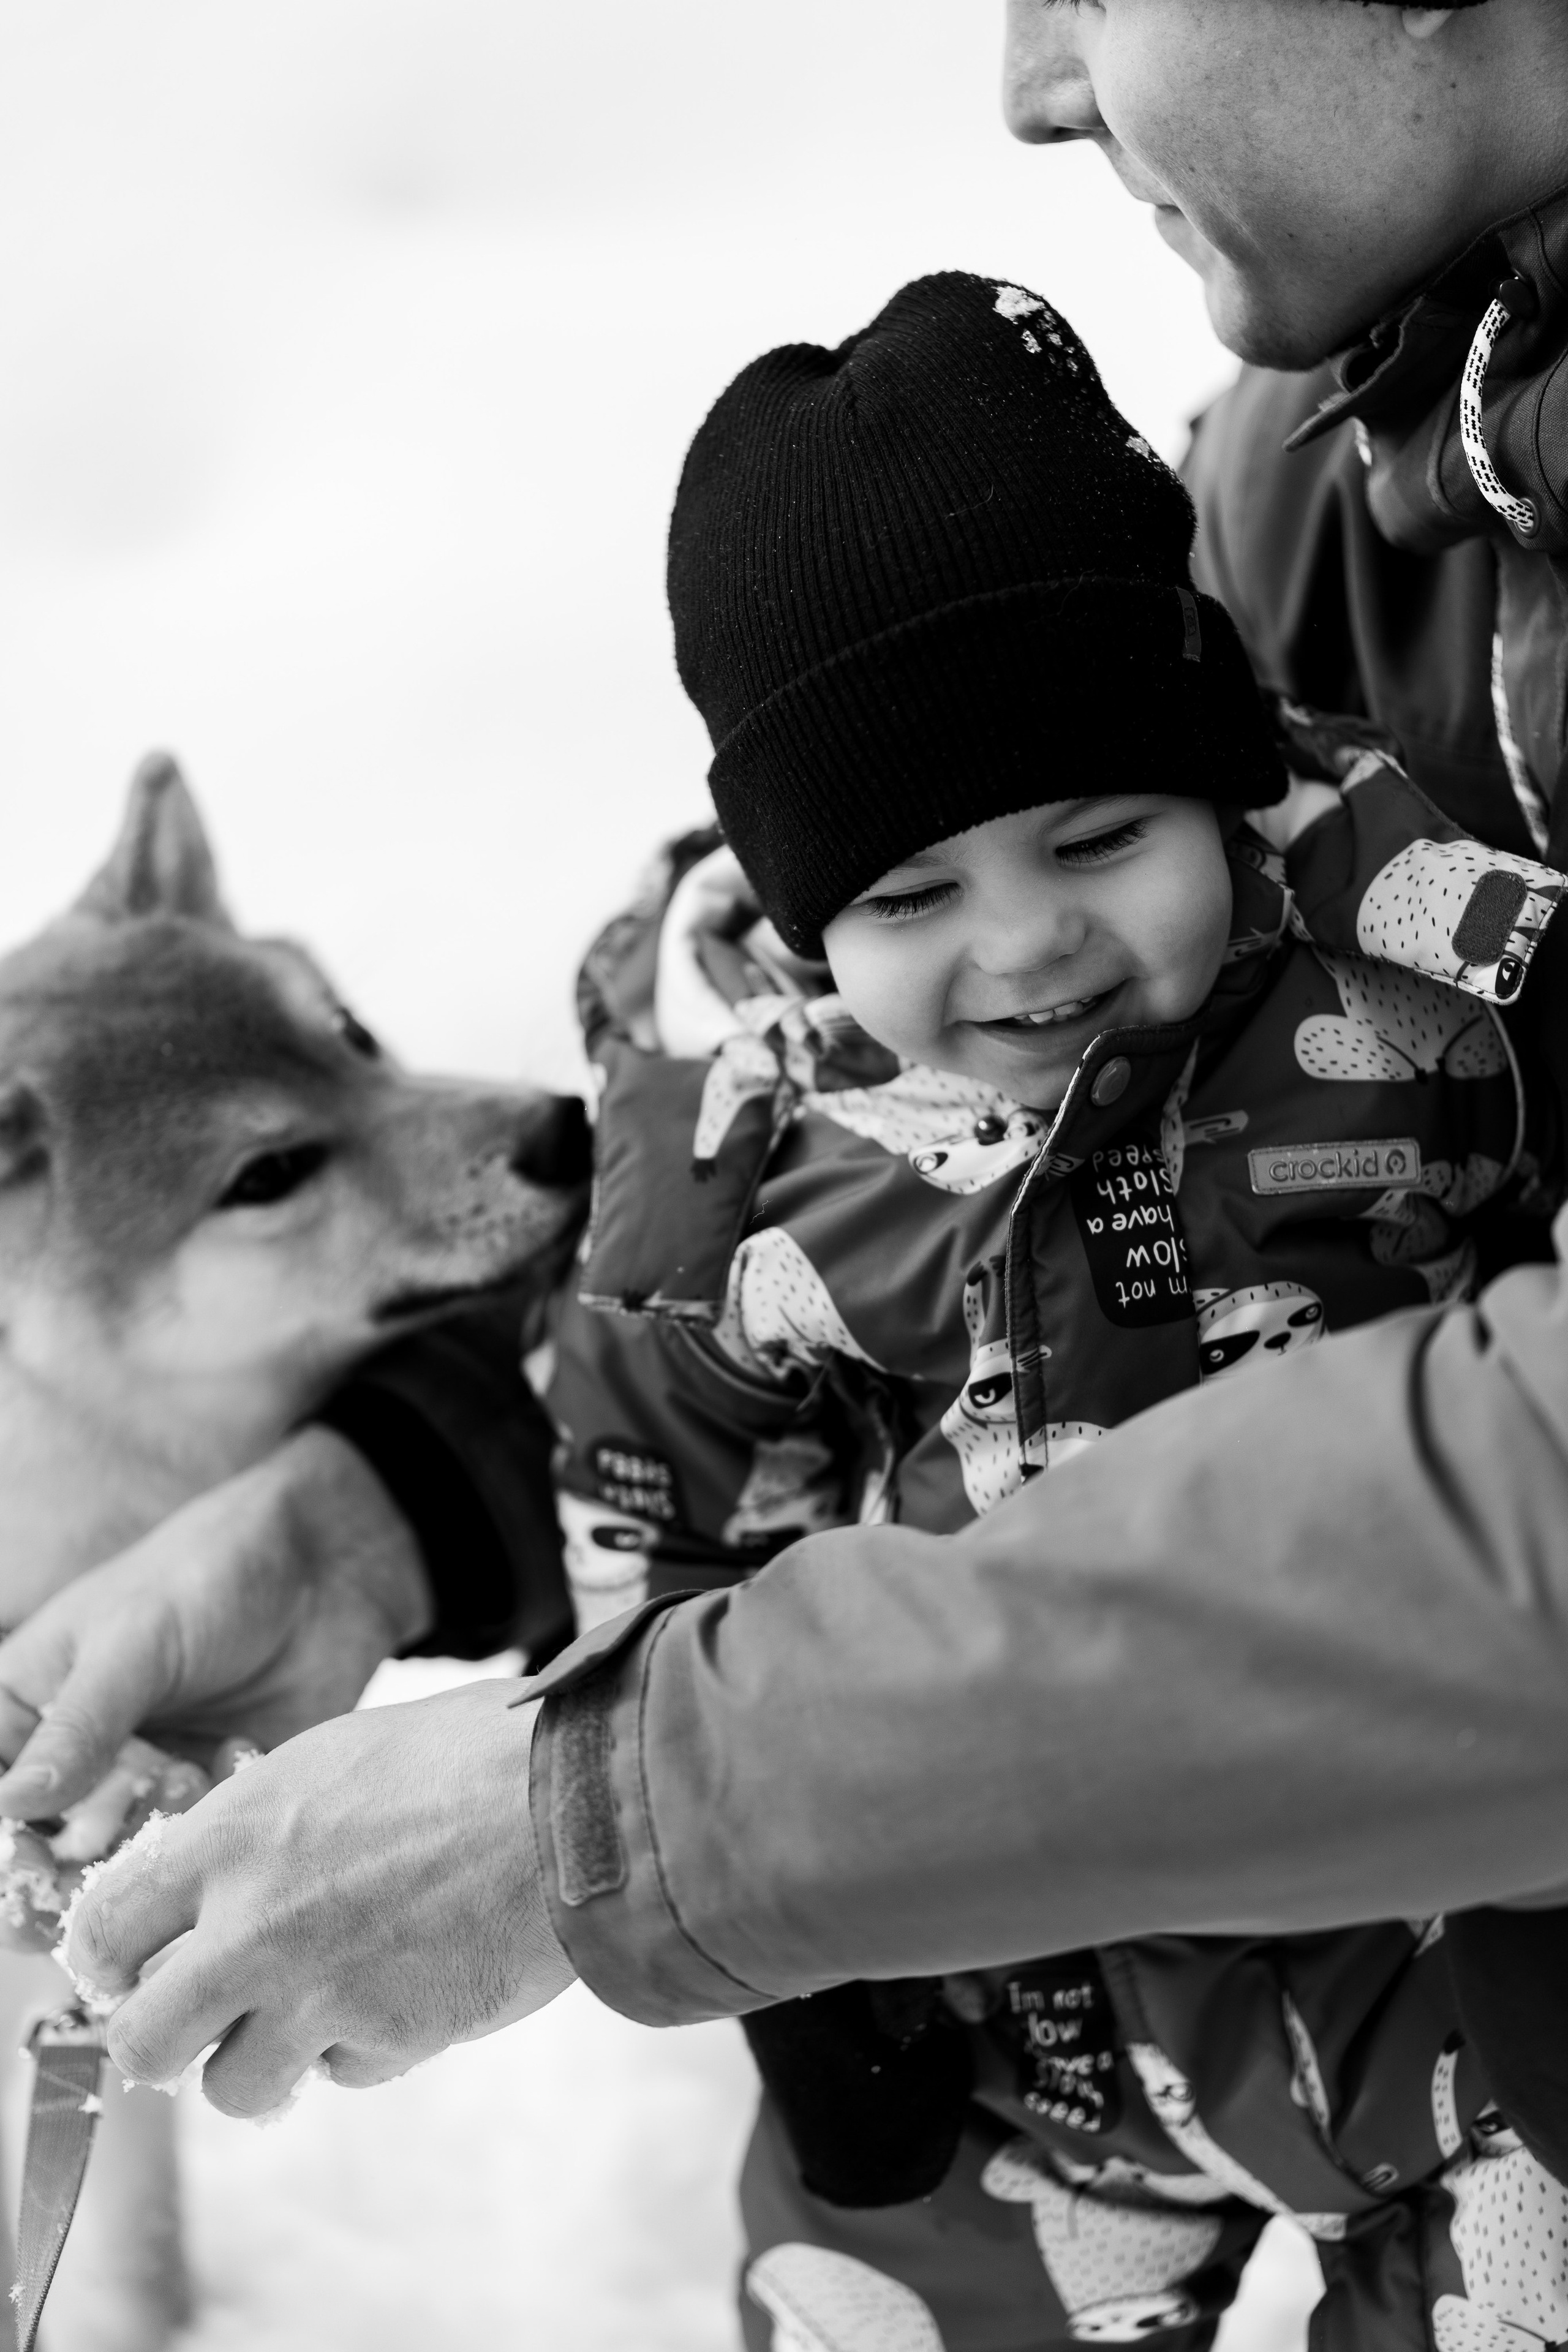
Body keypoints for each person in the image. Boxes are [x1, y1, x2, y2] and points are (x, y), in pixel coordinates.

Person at [10, 0, 1568, 2247]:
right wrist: (387, 1518)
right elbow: (762, 1332)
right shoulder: (1339, 473)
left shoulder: (1409, 889)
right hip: (987, 2090)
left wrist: (625, 1817)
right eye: (912, 894)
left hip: (1458, 2054)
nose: (1030, 82)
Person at [539, 266, 1563, 2351]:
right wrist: (803, 1987)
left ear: (1207, 766)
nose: (1028, 948)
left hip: (1434, 1953)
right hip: (1000, 2000)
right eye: (908, 899)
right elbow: (672, 1513)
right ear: (809, 909)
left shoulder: (1419, 978)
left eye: (1099, 836)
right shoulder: (744, 1142)